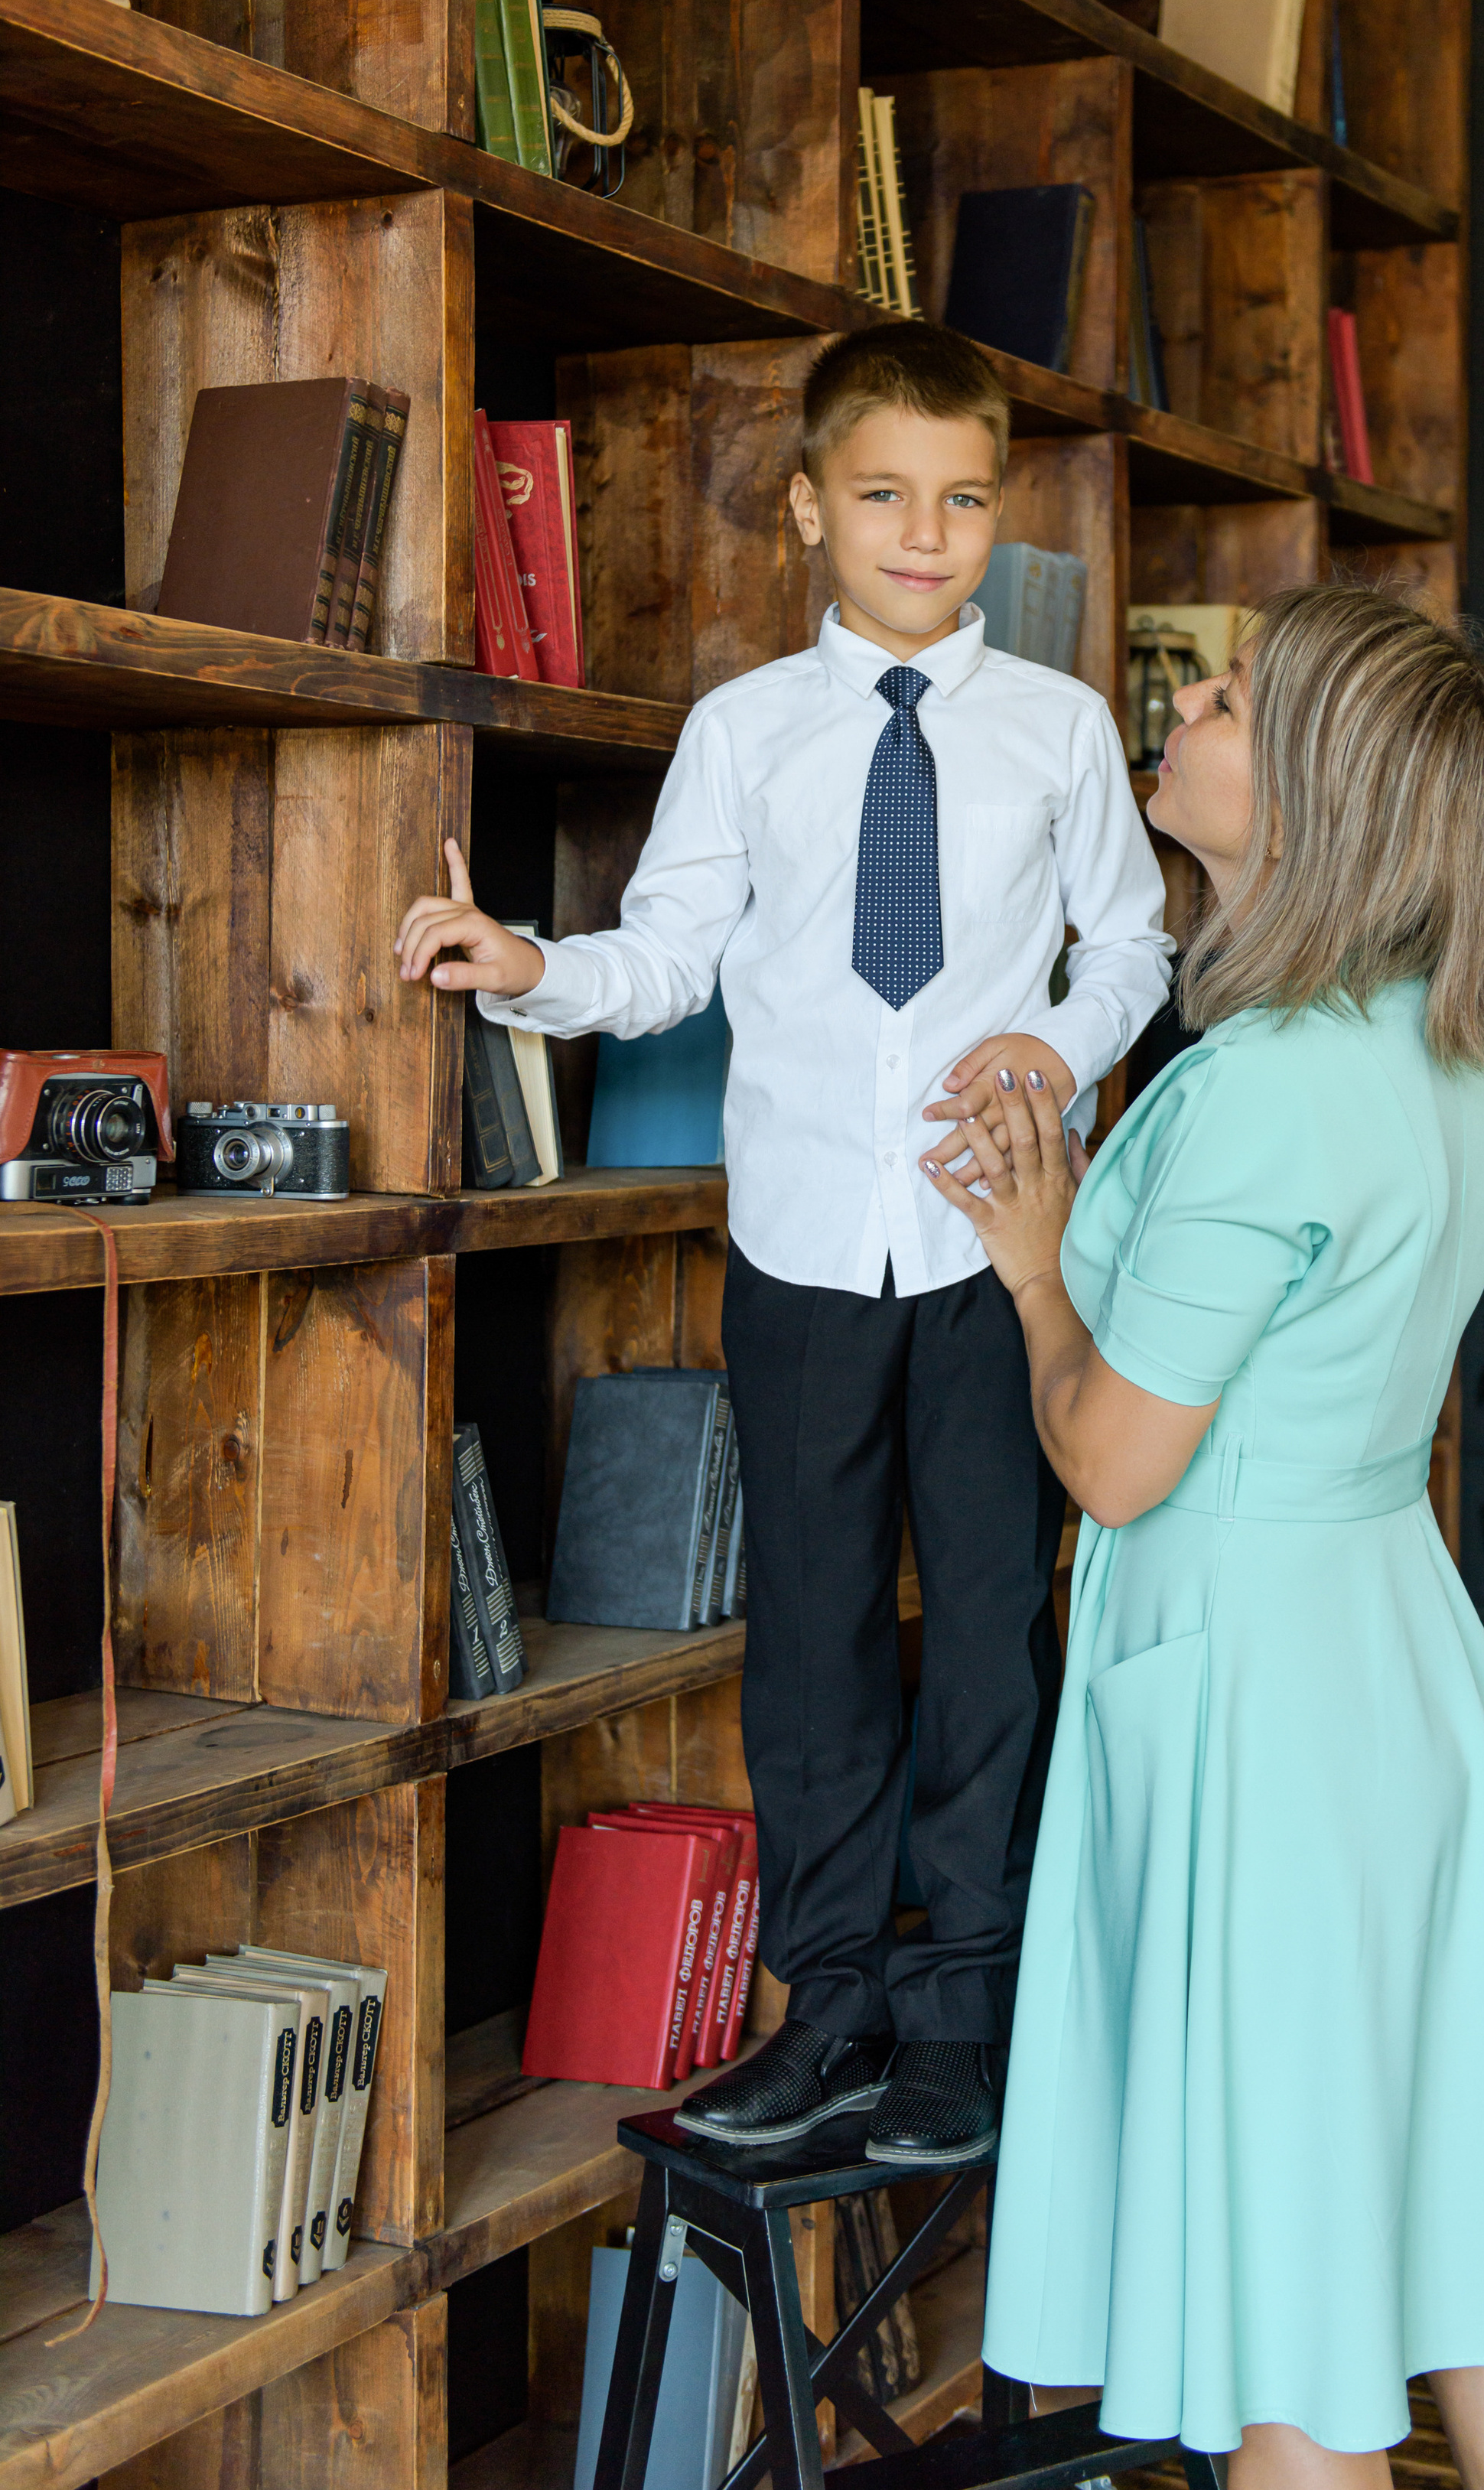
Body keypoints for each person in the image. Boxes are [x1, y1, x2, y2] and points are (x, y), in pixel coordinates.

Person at [395, 321, 1170, 2166]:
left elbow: (1132, 947)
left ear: (998, 514)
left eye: (965, 501)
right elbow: (668, 955)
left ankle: (960, 2027)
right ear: (810, 506)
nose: (927, 534)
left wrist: (1051, 1047)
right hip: (806, 1251)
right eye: (887, 497)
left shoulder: (1056, 731)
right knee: (811, 1644)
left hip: (994, 1254)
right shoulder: (743, 732)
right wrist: (532, 969)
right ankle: (831, 2016)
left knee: (988, 1631)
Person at [919, 584, 1484, 2485]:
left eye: (1226, 697)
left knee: (1282, 2302)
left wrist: (1030, 1274)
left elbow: (1116, 1465)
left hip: (1257, 1715)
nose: (1184, 704)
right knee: (1468, 2254)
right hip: (1396, 1664)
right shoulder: (1436, 1058)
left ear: (1312, 797)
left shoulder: (1254, 1096)